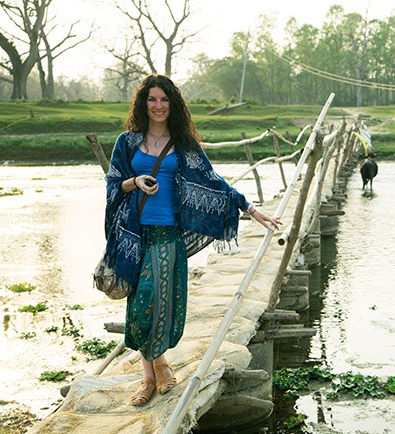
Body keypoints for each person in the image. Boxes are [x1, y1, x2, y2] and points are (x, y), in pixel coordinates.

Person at [103, 74, 281, 406]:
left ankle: (153, 371)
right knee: (141, 304)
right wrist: (134, 182)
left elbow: (215, 183)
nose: (158, 106)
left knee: (162, 302)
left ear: (173, 104)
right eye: (152, 100)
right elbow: (112, 183)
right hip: (134, 236)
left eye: (164, 100)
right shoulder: (126, 142)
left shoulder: (184, 144)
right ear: (144, 104)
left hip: (168, 235)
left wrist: (251, 209)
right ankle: (154, 372)